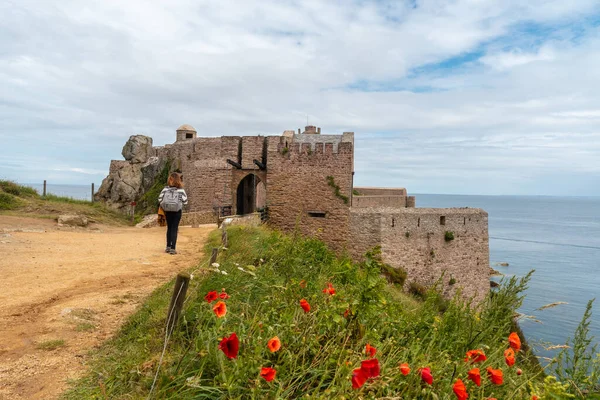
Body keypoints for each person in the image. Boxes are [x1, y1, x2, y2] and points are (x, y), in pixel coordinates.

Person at [158, 172, 188, 255]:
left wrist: (165, 206)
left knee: (169, 228)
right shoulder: (181, 190)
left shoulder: (165, 189)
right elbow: (185, 201)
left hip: (168, 211)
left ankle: (168, 246)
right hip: (177, 212)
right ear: (178, 180)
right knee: (175, 229)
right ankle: (173, 248)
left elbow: (160, 199)